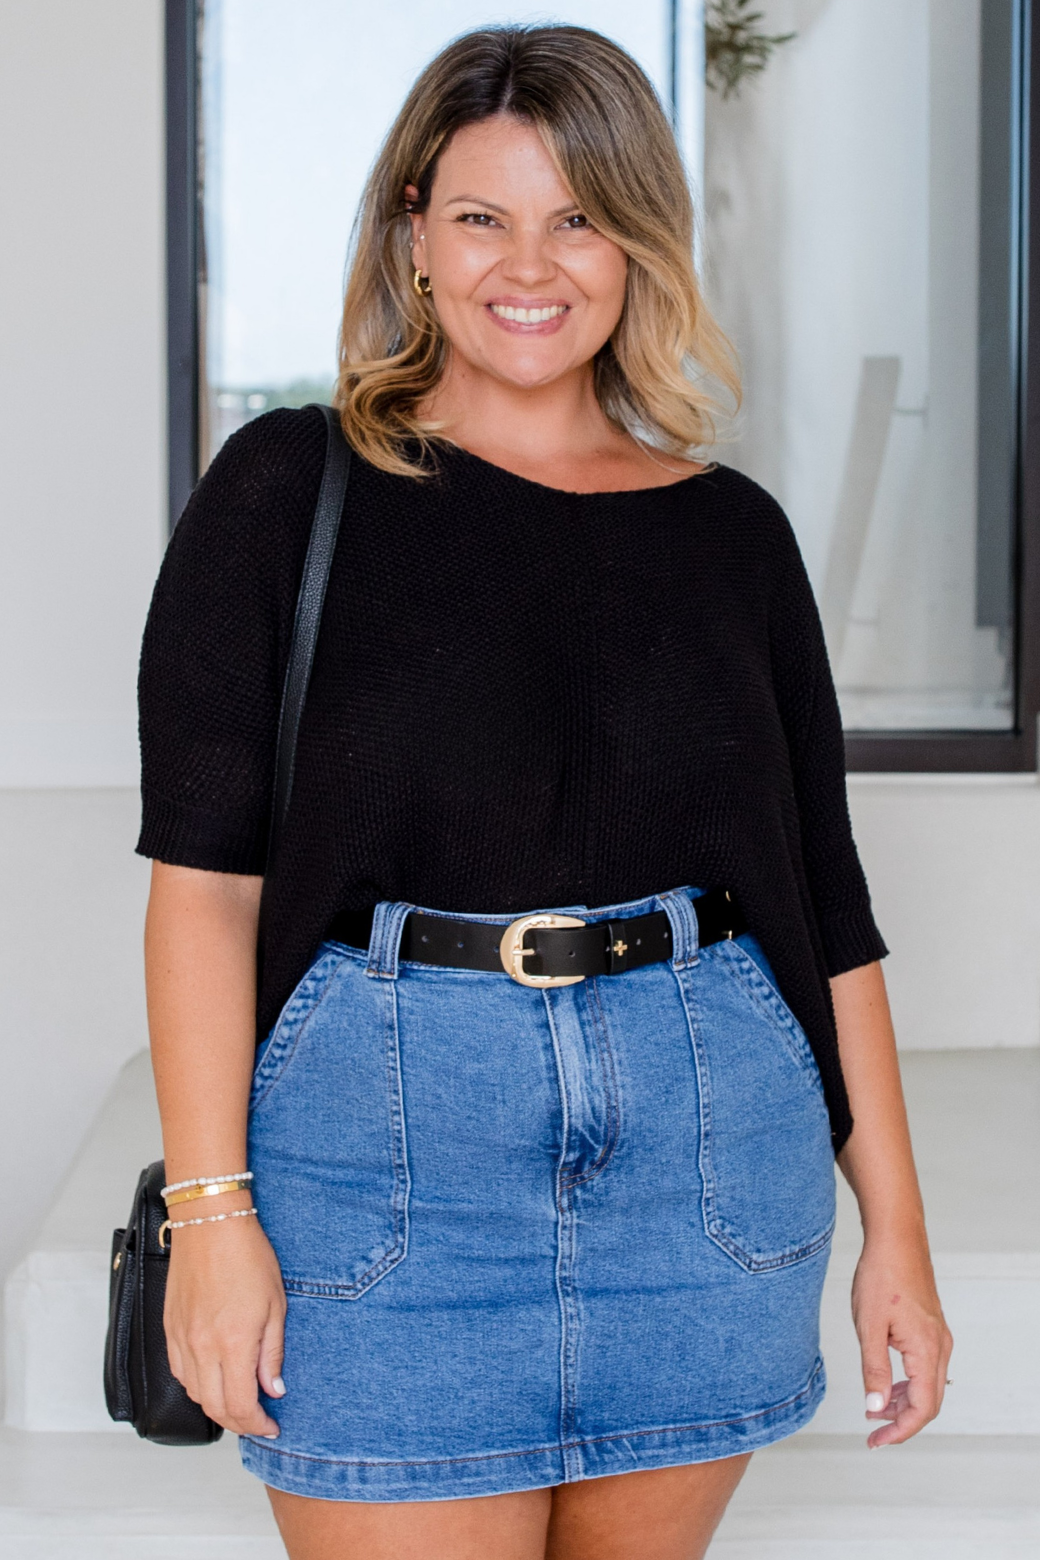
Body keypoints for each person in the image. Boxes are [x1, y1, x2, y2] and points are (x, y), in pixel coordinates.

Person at [137, 24, 952, 1560]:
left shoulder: (733, 537)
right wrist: (213, 1214)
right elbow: (205, 889)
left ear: (637, 243)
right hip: (379, 1184)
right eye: (481, 216)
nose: (531, 264)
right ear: (413, 236)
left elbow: (826, 910)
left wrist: (895, 1236)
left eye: (579, 217)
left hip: (707, 1170)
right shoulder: (284, 492)